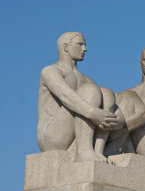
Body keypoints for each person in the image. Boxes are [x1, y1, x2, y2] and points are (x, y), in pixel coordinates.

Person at [37, 32, 124, 162]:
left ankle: (97, 151)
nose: (85, 49)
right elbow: (66, 96)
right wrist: (93, 113)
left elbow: (118, 113)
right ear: (66, 47)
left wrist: (118, 121)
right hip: (52, 136)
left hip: (74, 133)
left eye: (85, 45)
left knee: (106, 92)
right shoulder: (50, 71)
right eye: (80, 44)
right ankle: (83, 152)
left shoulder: (87, 80)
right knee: (90, 91)